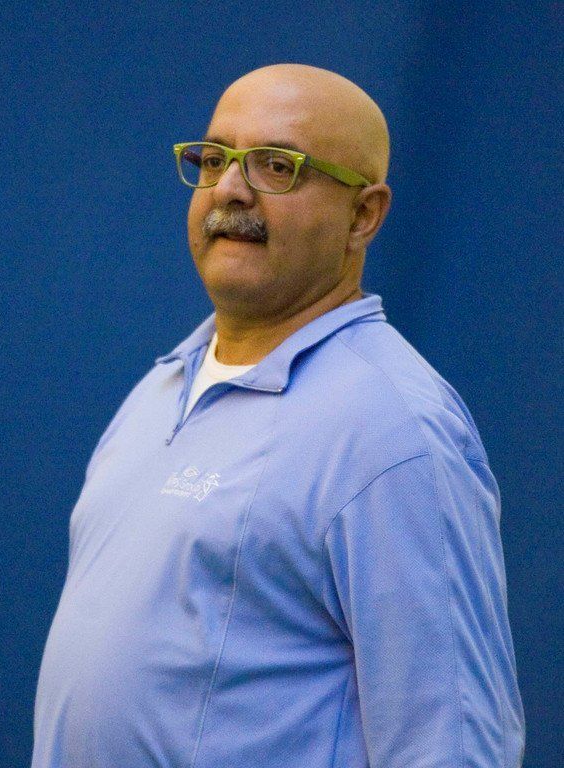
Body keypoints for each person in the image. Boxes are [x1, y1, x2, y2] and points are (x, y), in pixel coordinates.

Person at [31, 64, 525, 767]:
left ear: (363, 215)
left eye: (276, 166)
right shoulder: (162, 388)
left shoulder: (391, 430)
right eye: (214, 159)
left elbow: (453, 744)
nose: (230, 189)